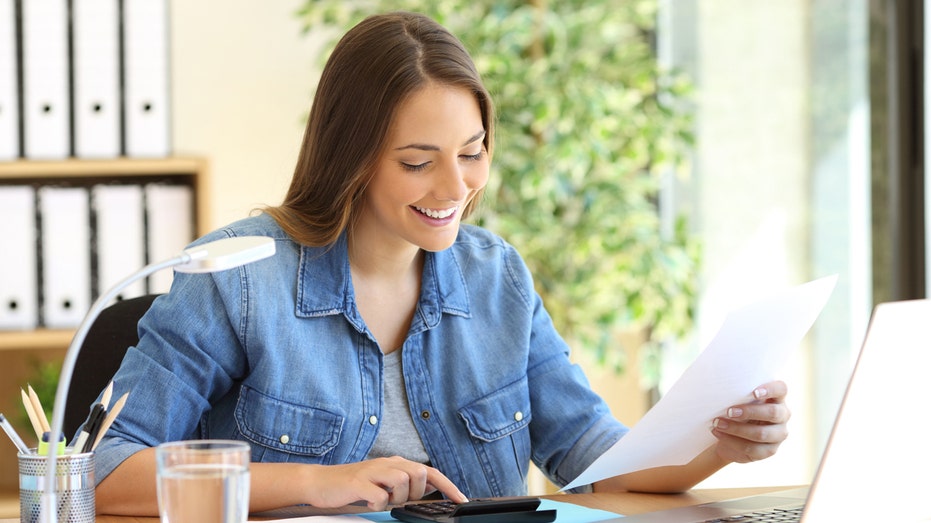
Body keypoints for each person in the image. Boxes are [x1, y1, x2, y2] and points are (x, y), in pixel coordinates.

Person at [94, 11, 790, 516]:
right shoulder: (240, 276)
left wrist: (719, 446)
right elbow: (102, 469)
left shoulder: (496, 278)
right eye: (417, 162)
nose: (456, 189)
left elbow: (593, 462)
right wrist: (314, 482)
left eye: (471, 152)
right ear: (352, 156)